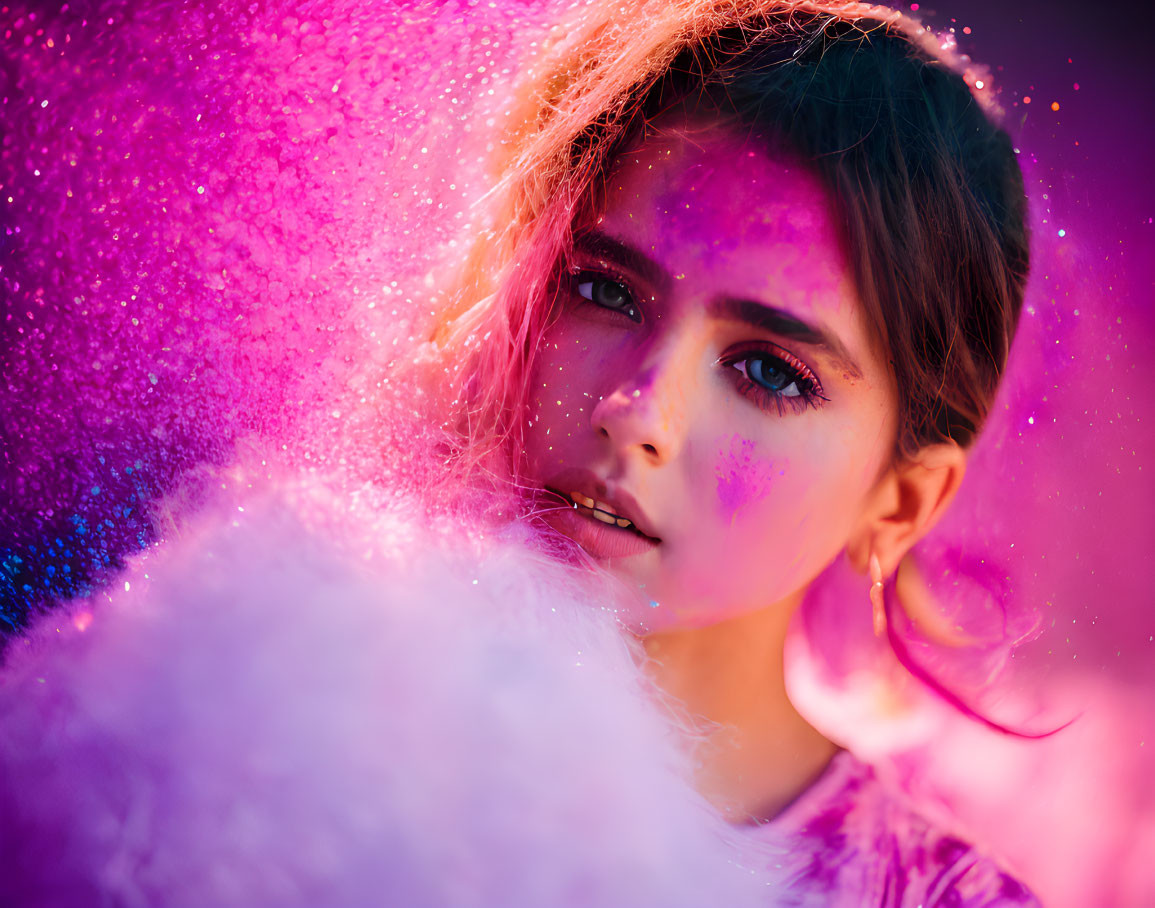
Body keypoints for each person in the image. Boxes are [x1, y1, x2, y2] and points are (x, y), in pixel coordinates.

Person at [424, 0, 1038, 902]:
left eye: (770, 372)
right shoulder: (281, 715)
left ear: (898, 502)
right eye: (601, 289)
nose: (634, 413)